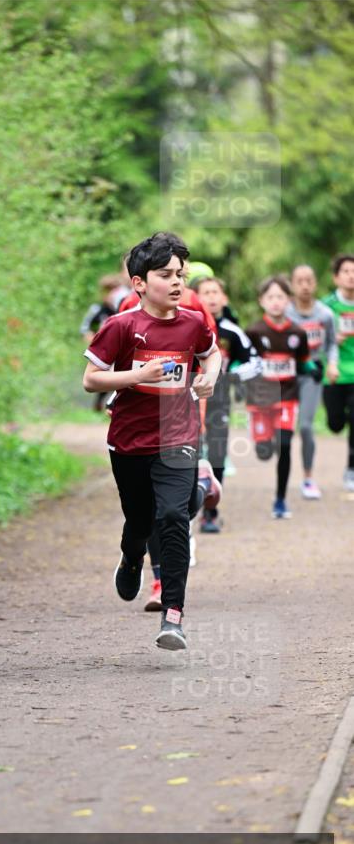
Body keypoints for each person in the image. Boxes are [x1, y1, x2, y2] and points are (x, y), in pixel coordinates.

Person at [83, 232, 221, 650]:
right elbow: (91, 379)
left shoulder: (194, 323)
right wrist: (136, 377)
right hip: (128, 440)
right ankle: (131, 557)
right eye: (166, 274)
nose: (178, 282)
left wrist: (210, 376)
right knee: (140, 521)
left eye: (181, 274)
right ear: (140, 282)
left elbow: (210, 353)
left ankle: (173, 615)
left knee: (174, 519)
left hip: (178, 434)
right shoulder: (121, 326)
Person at [245, 275, 318, 519]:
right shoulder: (253, 331)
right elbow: (243, 361)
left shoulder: (298, 333)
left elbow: (303, 362)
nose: (276, 302)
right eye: (270, 297)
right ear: (261, 301)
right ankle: (262, 442)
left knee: (285, 446)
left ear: (289, 301)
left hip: (288, 396)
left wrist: (313, 371)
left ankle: (280, 499)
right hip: (260, 399)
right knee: (265, 450)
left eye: (281, 297)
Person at [196, 276, 262, 532]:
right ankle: (184, 506)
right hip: (186, 400)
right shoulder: (188, 325)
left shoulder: (232, 332)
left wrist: (231, 375)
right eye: (205, 293)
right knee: (183, 452)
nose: (211, 297)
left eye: (216, 292)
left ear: (224, 298)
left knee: (217, 452)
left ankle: (211, 511)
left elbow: (254, 362)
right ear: (195, 298)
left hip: (218, 400)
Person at [285, 265, 338, 499]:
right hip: (286, 375)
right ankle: (282, 475)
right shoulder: (285, 314)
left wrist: (333, 364)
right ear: (292, 285)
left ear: (315, 284)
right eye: (300, 281)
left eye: (309, 281)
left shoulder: (325, 314)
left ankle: (308, 478)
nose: (305, 286)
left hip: (312, 375)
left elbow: (332, 344)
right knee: (282, 432)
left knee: (306, 427)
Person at [321, 253, 354, 492]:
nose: (351, 276)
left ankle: (351, 469)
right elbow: (313, 339)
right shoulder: (326, 307)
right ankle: (335, 420)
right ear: (336, 277)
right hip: (333, 373)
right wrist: (333, 339)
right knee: (335, 424)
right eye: (346, 271)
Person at [80, 275, 129, 410]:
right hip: (102, 350)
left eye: (114, 291)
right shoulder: (98, 310)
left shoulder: (122, 307)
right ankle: (100, 403)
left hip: (119, 349)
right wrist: (93, 341)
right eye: (108, 291)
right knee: (103, 374)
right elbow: (85, 328)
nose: (111, 295)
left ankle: (112, 403)